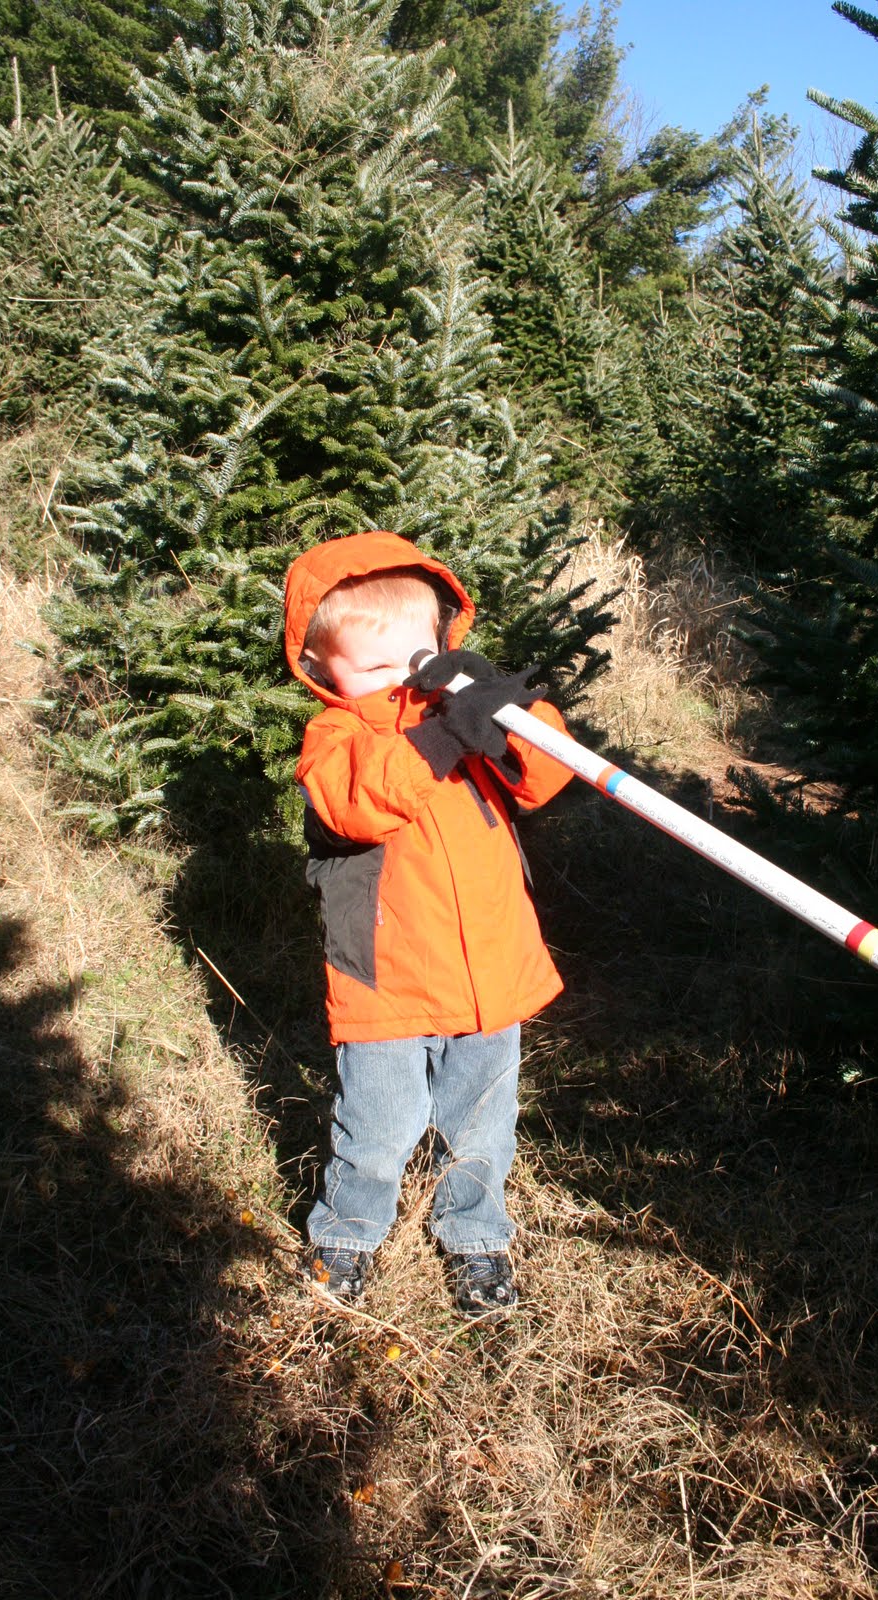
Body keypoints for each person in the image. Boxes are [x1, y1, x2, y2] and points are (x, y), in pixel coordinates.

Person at [283, 531, 574, 1317]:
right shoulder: (337, 736)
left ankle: (476, 1237)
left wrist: (502, 708)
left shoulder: (465, 708)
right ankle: (345, 1234)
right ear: (320, 668)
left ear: (440, 643)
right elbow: (356, 802)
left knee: (482, 1125)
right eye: (372, 667)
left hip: (490, 967)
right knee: (379, 1125)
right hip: (388, 978)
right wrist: (441, 736)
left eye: (413, 657)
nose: (397, 682)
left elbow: (546, 775)